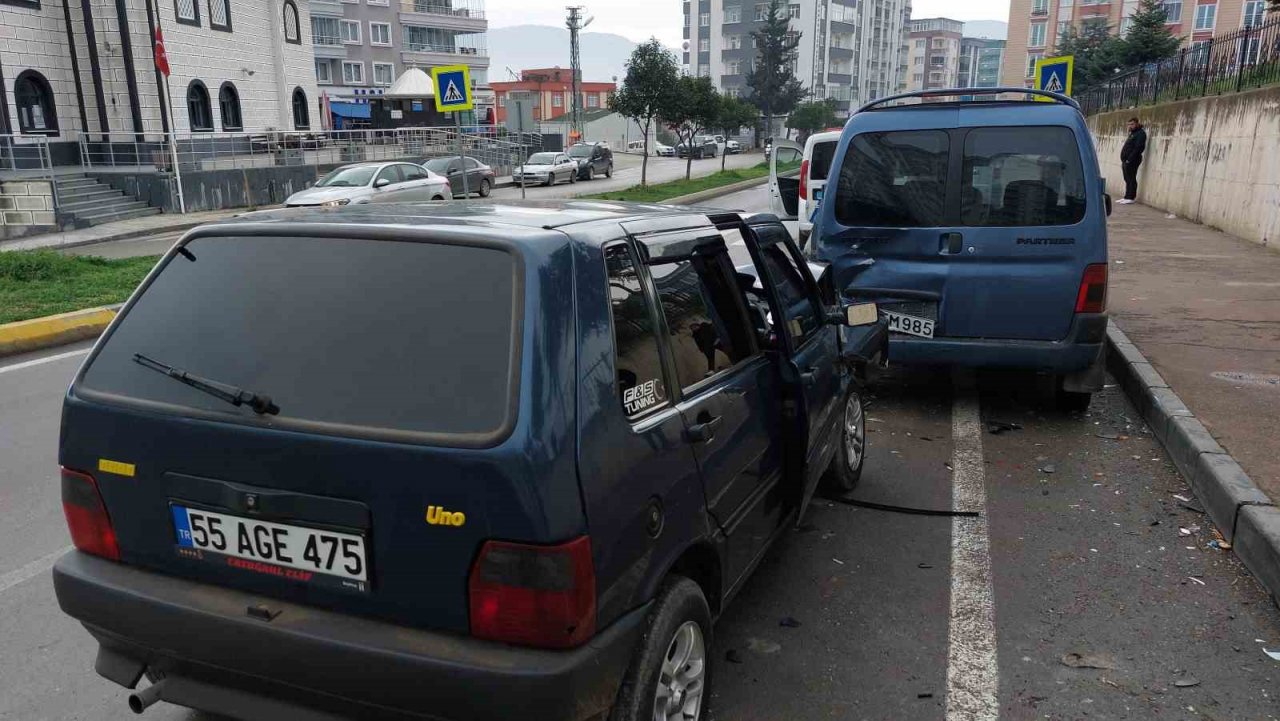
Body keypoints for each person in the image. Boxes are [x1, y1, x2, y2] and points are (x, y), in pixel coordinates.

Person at [1118, 117, 1147, 205]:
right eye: (1129, 124)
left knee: (1131, 178)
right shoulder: (1132, 133)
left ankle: (1131, 197)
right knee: (1126, 178)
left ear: (1137, 123)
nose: (1130, 126)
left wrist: (1129, 159)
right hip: (1125, 160)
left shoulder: (1141, 134)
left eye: (1132, 124)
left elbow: (1138, 148)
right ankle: (1126, 196)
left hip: (1133, 160)